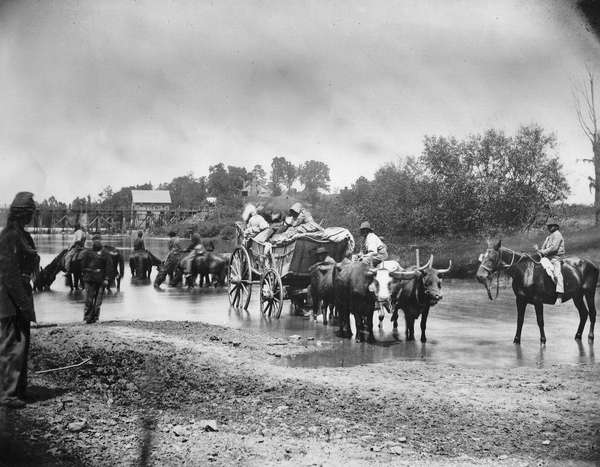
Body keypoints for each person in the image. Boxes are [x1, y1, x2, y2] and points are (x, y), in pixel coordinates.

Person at [0, 192, 38, 408]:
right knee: (11, 345)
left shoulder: (22, 235)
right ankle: (7, 394)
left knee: (22, 343)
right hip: (8, 297)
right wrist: (23, 304)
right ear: (23, 213)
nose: (32, 216)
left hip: (21, 294)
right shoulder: (9, 236)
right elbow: (9, 274)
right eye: (30, 212)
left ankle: (19, 389)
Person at [80, 235, 113, 324]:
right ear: (92, 241)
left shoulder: (106, 253)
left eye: (98, 240)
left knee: (98, 301)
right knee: (88, 300)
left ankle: (95, 317)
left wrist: (106, 278)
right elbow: (83, 265)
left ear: (101, 241)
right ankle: (87, 318)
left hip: (101, 279)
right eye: (95, 240)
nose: (97, 242)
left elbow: (109, 267)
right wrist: (84, 276)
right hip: (89, 278)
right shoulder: (88, 252)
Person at [535, 219, 565, 303]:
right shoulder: (548, 237)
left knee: (557, 274)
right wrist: (538, 250)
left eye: (551, 226)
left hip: (555, 258)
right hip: (547, 258)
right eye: (548, 226)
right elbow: (543, 249)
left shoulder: (558, 235)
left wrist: (542, 251)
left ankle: (560, 294)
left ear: (556, 227)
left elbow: (554, 248)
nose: (549, 227)